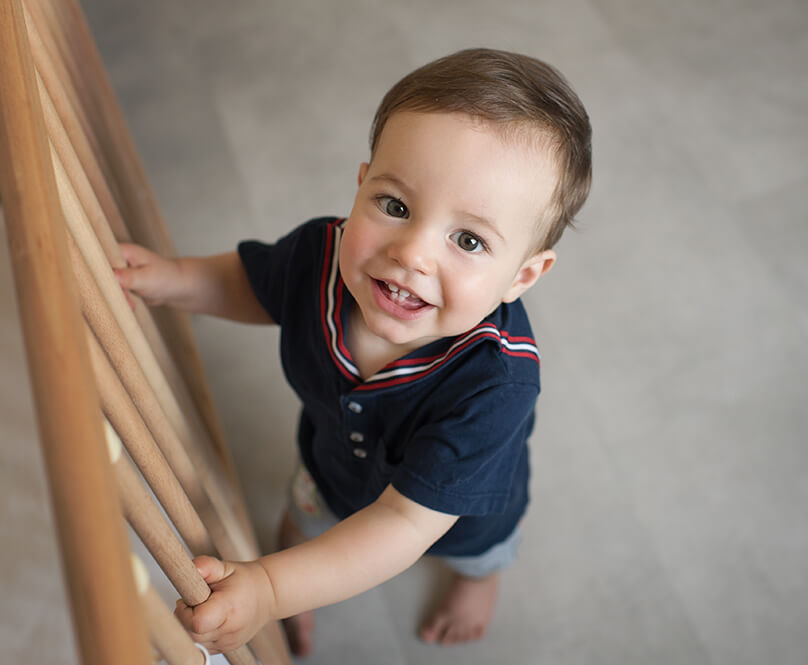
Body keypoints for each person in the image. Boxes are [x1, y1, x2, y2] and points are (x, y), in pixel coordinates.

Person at [116, 47, 592, 654]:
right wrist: (170, 278)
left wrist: (268, 588)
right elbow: (251, 283)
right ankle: (301, 560)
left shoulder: (496, 386)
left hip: (453, 516)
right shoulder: (321, 253)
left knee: (477, 551)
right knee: (305, 519)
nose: (412, 253)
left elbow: (402, 523)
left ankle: (479, 582)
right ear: (362, 183)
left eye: (468, 239)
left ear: (523, 276)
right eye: (395, 206)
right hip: (331, 465)